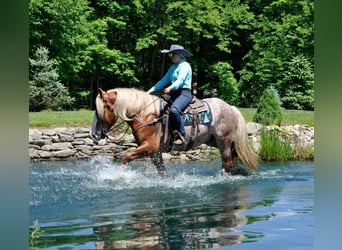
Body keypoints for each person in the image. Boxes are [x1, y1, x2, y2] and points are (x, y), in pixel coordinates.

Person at [148, 44, 193, 145]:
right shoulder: (173, 67)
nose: (171, 56)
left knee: (174, 111)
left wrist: (170, 87)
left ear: (180, 55)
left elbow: (180, 80)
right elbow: (163, 81)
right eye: (170, 54)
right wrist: (149, 92)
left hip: (184, 93)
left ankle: (182, 135)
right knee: (158, 109)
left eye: (173, 54)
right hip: (174, 93)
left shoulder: (185, 66)